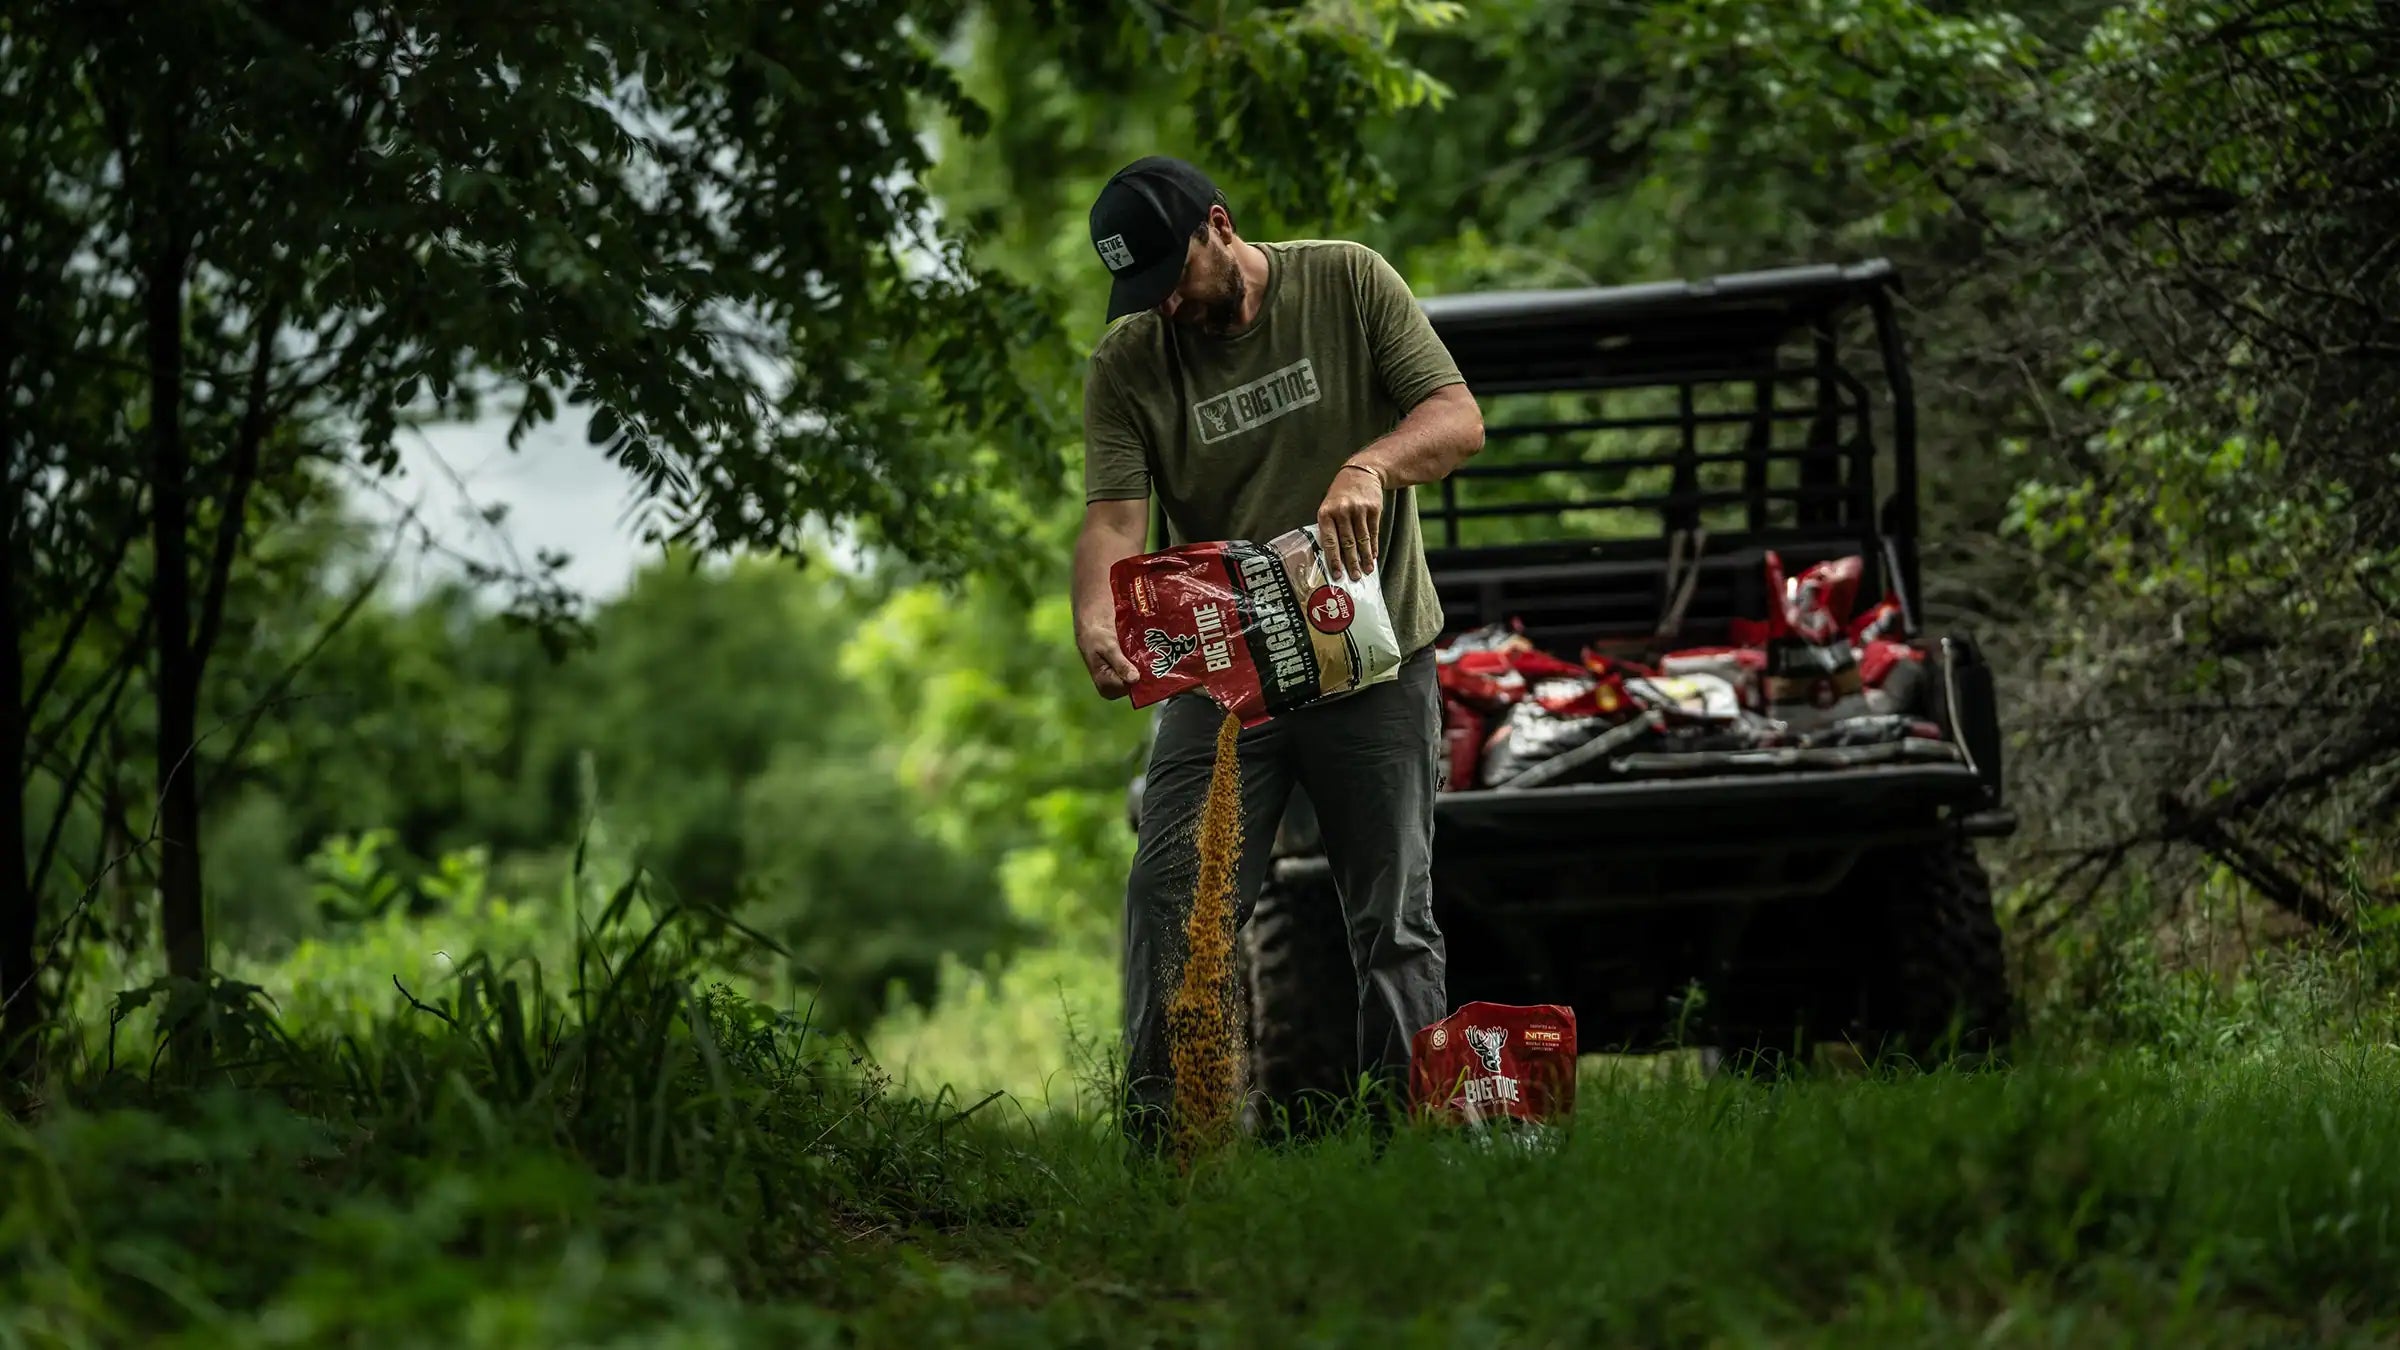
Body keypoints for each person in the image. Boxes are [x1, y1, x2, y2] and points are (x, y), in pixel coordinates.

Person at [1068, 154, 1485, 1152]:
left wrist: (1370, 466)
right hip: (1225, 679)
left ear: (1219, 226)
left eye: (1175, 274)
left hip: (1375, 663)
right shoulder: (1130, 360)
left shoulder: (1347, 280)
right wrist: (1093, 612)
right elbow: (1116, 519)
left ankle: (1413, 1149)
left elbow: (1457, 420)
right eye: (1143, 289)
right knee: (1172, 897)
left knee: (1393, 919)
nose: (1166, 303)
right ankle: (1168, 1157)